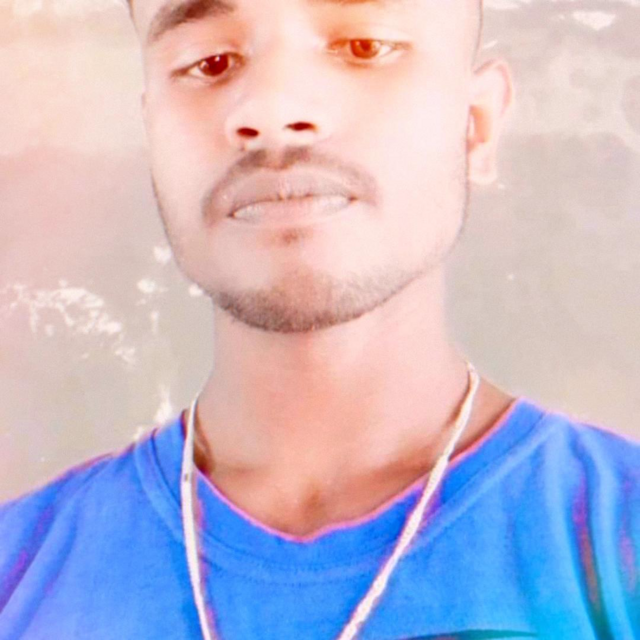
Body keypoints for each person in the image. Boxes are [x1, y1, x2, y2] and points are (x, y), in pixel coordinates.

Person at [1, 0, 638, 638]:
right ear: (153, 137)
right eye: (211, 62)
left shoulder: (618, 543)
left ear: (475, 125)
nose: (271, 110)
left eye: (364, 47)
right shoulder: (16, 570)